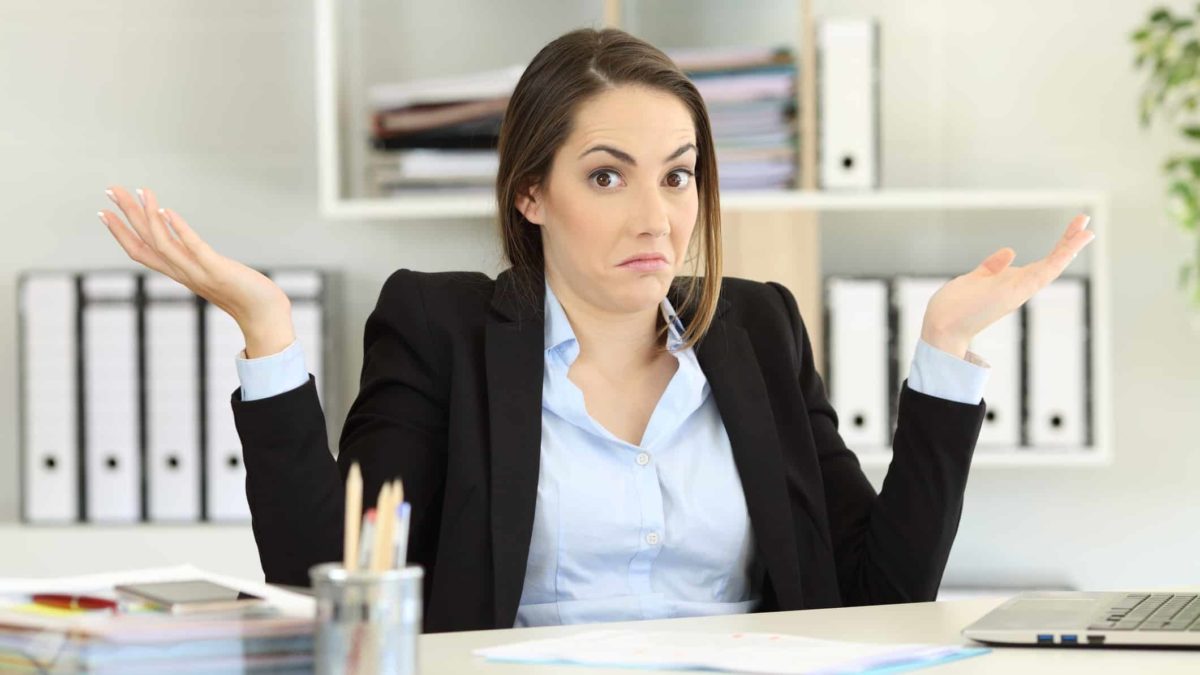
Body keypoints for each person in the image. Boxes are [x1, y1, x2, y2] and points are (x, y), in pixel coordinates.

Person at [98, 27, 1096, 634]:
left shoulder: (760, 328)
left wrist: (944, 353)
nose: (656, 217)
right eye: (607, 175)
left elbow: (883, 596)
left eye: (678, 175)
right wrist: (267, 332)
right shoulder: (439, 327)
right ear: (530, 192)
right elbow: (333, 589)